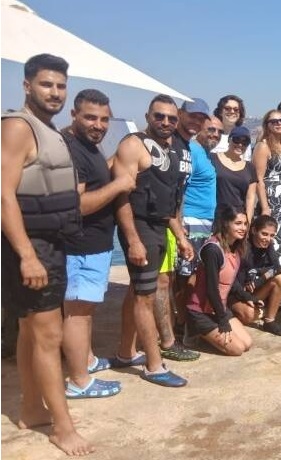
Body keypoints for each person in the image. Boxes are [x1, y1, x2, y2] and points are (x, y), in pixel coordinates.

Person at [1, 53, 93, 455]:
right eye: (46, 84)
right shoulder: (18, 127)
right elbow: (3, 194)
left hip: (49, 243)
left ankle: (31, 409)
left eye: (60, 86)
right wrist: (27, 255)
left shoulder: (47, 128)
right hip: (32, 245)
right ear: (27, 86)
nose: (55, 92)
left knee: (30, 331)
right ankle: (62, 426)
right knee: (48, 335)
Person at [112, 94, 194, 387]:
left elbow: (165, 204)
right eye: (159, 116)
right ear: (148, 116)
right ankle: (154, 365)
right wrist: (133, 240)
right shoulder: (134, 145)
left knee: (137, 290)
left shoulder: (169, 150)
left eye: (171, 118)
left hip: (159, 227)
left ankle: (125, 352)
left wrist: (181, 237)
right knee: (144, 297)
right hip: (139, 227)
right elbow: (121, 197)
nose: (165, 122)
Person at [61, 89, 133, 401]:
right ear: (74, 115)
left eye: (104, 119)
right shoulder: (72, 149)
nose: (99, 125)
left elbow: (94, 177)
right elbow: (76, 205)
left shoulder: (88, 146)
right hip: (81, 246)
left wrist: (115, 162)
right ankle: (79, 382)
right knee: (78, 313)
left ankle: (87, 361)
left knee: (84, 310)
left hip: (94, 245)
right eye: (90, 117)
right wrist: (118, 185)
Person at [153, 99, 208, 363]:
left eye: (201, 118)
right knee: (160, 283)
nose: (196, 121)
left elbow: (178, 192)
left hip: (174, 221)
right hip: (158, 223)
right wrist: (179, 233)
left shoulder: (185, 146)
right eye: (192, 115)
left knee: (166, 281)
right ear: (181, 114)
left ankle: (163, 336)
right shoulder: (167, 141)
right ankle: (165, 342)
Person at [175, 116, 224, 325]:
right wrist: (179, 224)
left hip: (205, 221)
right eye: (211, 129)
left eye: (219, 131)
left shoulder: (206, 154)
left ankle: (188, 318)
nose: (215, 134)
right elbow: (180, 188)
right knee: (184, 275)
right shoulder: (193, 151)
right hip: (191, 219)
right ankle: (181, 321)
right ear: (200, 129)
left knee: (195, 272)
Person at [185, 205, 253, 356]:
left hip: (218, 308)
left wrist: (247, 296)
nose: (243, 228)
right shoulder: (213, 250)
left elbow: (230, 281)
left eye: (245, 224)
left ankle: (210, 334)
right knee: (237, 349)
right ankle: (193, 329)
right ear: (226, 224)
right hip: (200, 312)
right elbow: (211, 289)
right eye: (238, 223)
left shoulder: (235, 246)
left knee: (247, 343)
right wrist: (223, 321)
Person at [252, 109, 281, 272]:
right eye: (274, 121)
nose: (279, 123)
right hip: (272, 200)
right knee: (274, 239)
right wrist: (265, 207)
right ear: (267, 125)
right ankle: (272, 277)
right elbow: (258, 179)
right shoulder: (263, 146)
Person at [232, 215, 281, 336]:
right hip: (236, 293)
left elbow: (278, 268)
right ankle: (233, 315)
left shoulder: (268, 245)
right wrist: (249, 295)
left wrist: (258, 273)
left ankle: (269, 322)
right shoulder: (243, 248)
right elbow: (234, 282)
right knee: (250, 315)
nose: (268, 239)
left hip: (251, 288)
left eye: (272, 235)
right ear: (253, 230)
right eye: (264, 234)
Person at [213, 126, 257, 222]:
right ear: (229, 140)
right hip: (214, 216)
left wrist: (248, 222)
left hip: (237, 220)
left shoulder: (250, 168)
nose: (240, 145)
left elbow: (250, 198)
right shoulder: (213, 159)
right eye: (237, 140)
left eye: (245, 142)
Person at [212, 95, 250, 160]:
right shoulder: (212, 135)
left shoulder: (244, 137)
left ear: (240, 114)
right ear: (220, 112)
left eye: (236, 110)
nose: (232, 111)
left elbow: (246, 161)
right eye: (227, 108)